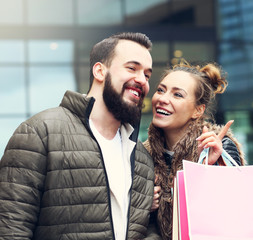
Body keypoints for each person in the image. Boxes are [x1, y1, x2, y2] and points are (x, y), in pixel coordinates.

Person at [0, 32, 160, 239]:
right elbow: (11, 229)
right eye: (132, 68)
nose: (142, 80)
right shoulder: (40, 132)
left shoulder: (141, 157)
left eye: (147, 75)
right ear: (100, 71)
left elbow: (147, 231)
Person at [143, 61, 246, 239]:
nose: (163, 99)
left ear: (198, 111)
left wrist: (207, 168)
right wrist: (143, 204)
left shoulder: (218, 147)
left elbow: (235, 212)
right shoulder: (144, 154)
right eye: (161, 90)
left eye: (177, 94)